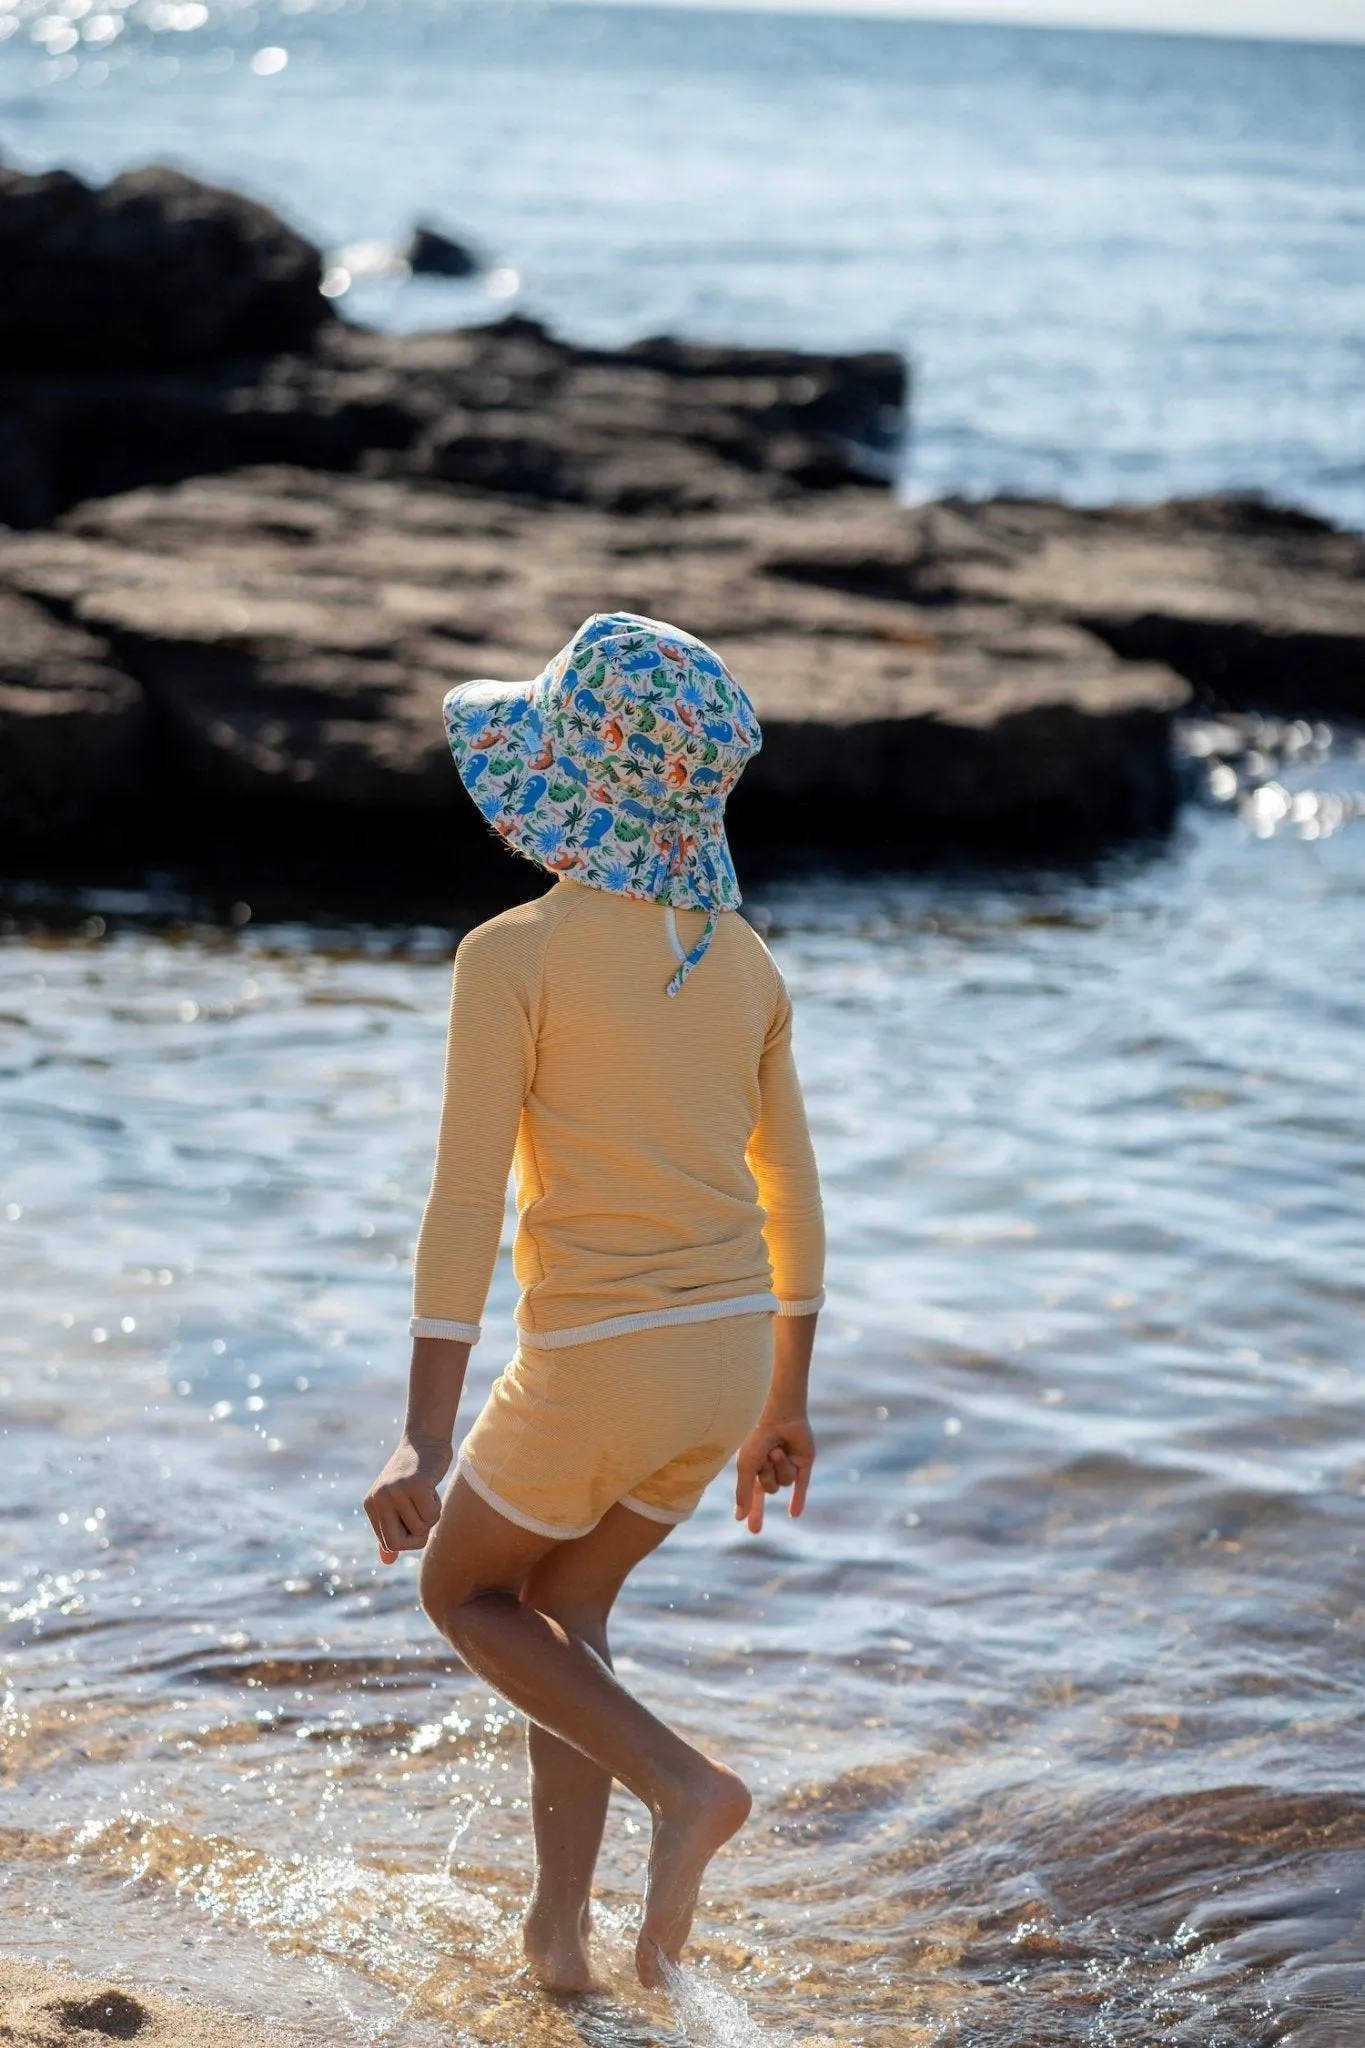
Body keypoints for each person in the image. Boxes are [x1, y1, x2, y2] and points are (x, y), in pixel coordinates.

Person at [363, 611, 825, 1993]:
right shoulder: (743, 961)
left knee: (464, 1592)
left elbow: (463, 1205)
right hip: (729, 1361)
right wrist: (784, 1402)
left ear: (560, 782)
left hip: (600, 1357)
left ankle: (687, 1791)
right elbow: (794, 1196)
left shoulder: (512, 955)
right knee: (564, 1614)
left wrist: (422, 1439)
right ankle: (559, 1943)